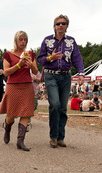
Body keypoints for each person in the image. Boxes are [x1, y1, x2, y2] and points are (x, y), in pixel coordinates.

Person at [37, 14, 85, 148]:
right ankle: (53, 136)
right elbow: (39, 58)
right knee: (55, 104)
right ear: (54, 26)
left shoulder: (71, 41)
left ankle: (60, 137)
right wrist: (49, 58)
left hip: (66, 76)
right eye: (58, 23)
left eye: (63, 23)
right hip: (50, 75)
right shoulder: (47, 40)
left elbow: (77, 59)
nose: (61, 25)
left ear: (67, 26)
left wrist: (81, 73)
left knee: (63, 108)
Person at [0, 31, 38, 151]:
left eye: (25, 39)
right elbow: (6, 72)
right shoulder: (8, 54)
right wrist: (19, 65)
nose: (23, 42)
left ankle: (20, 141)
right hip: (13, 86)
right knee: (11, 114)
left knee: (26, 112)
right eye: (21, 39)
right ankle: (7, 129)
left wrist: (30, 65)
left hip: (27, 85)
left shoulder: (30, 53)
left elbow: (36, 71)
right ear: (16, 40)